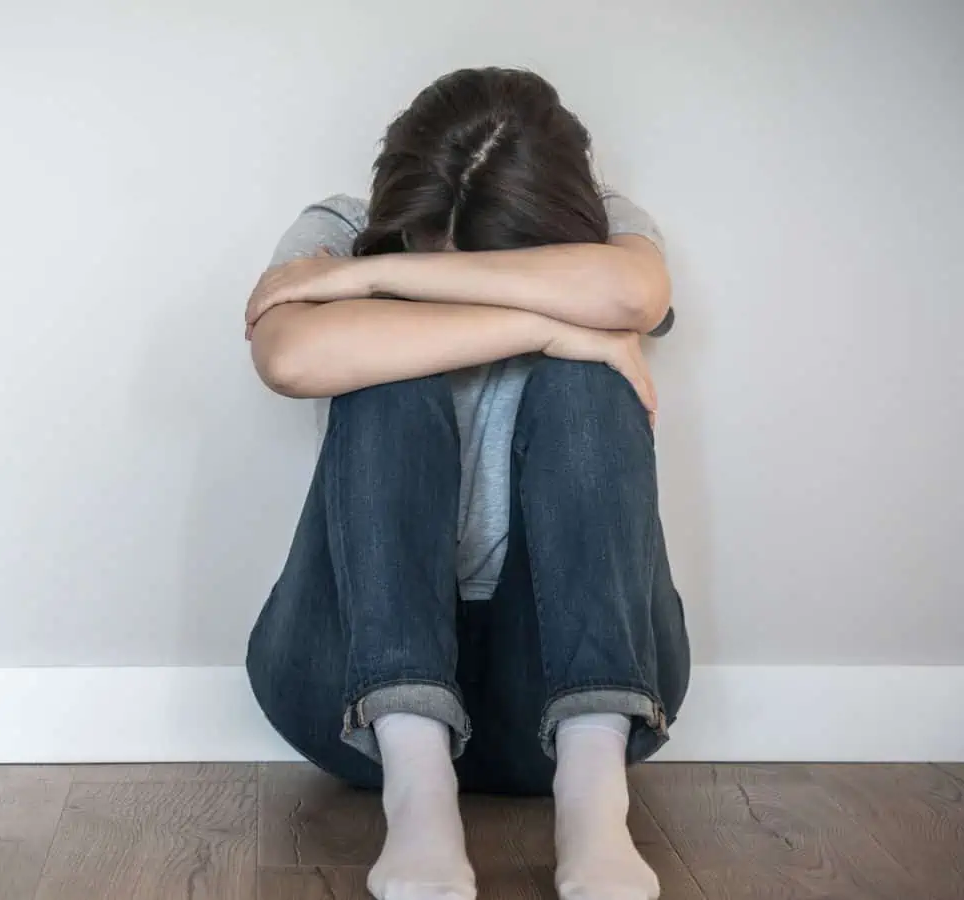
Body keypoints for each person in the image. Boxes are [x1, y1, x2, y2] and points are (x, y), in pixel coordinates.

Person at [242, 67, 691, 900]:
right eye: (423, 253)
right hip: (347, 693)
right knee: (383, 370)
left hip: (557, 696)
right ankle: (418, 802)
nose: (438, 265)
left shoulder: (608, 229)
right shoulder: (341, 228)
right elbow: (291, 357)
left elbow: (633, 290)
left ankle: (595, 803)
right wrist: (549, 325)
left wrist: (372, 284)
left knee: (589, 384)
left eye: (487, 262)